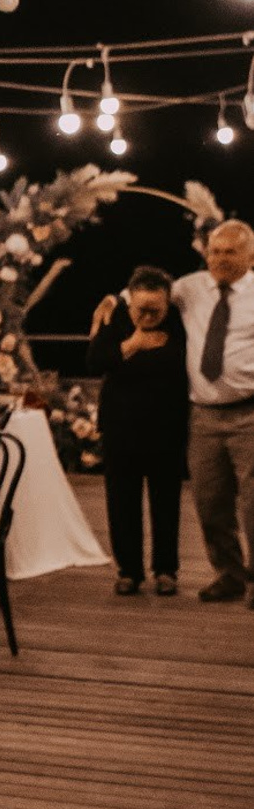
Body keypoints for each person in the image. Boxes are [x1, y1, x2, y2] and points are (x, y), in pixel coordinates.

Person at [87, 266, 187, 595]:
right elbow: (94, 360)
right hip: (120, 428)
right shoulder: (114, 315)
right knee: (121, 502)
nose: (146, 315)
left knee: (166, 503)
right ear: (129, 301)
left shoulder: (178, 318)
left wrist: (126, 360)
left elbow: (176, 360)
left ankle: (165, 570)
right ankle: (128, 571)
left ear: (167, 303)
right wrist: (133, 344)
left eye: (154, 310)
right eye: (139, 309)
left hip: (167, 429)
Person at [170, 217, 254, 601]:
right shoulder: (189, 288)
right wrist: (114, 299)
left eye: (230, 251)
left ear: (250, 256)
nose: (220, 258)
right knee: (209, 501)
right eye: (214, 251)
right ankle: (229, 574)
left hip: (250, 414)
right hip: (203, 416)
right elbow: (146, 295)